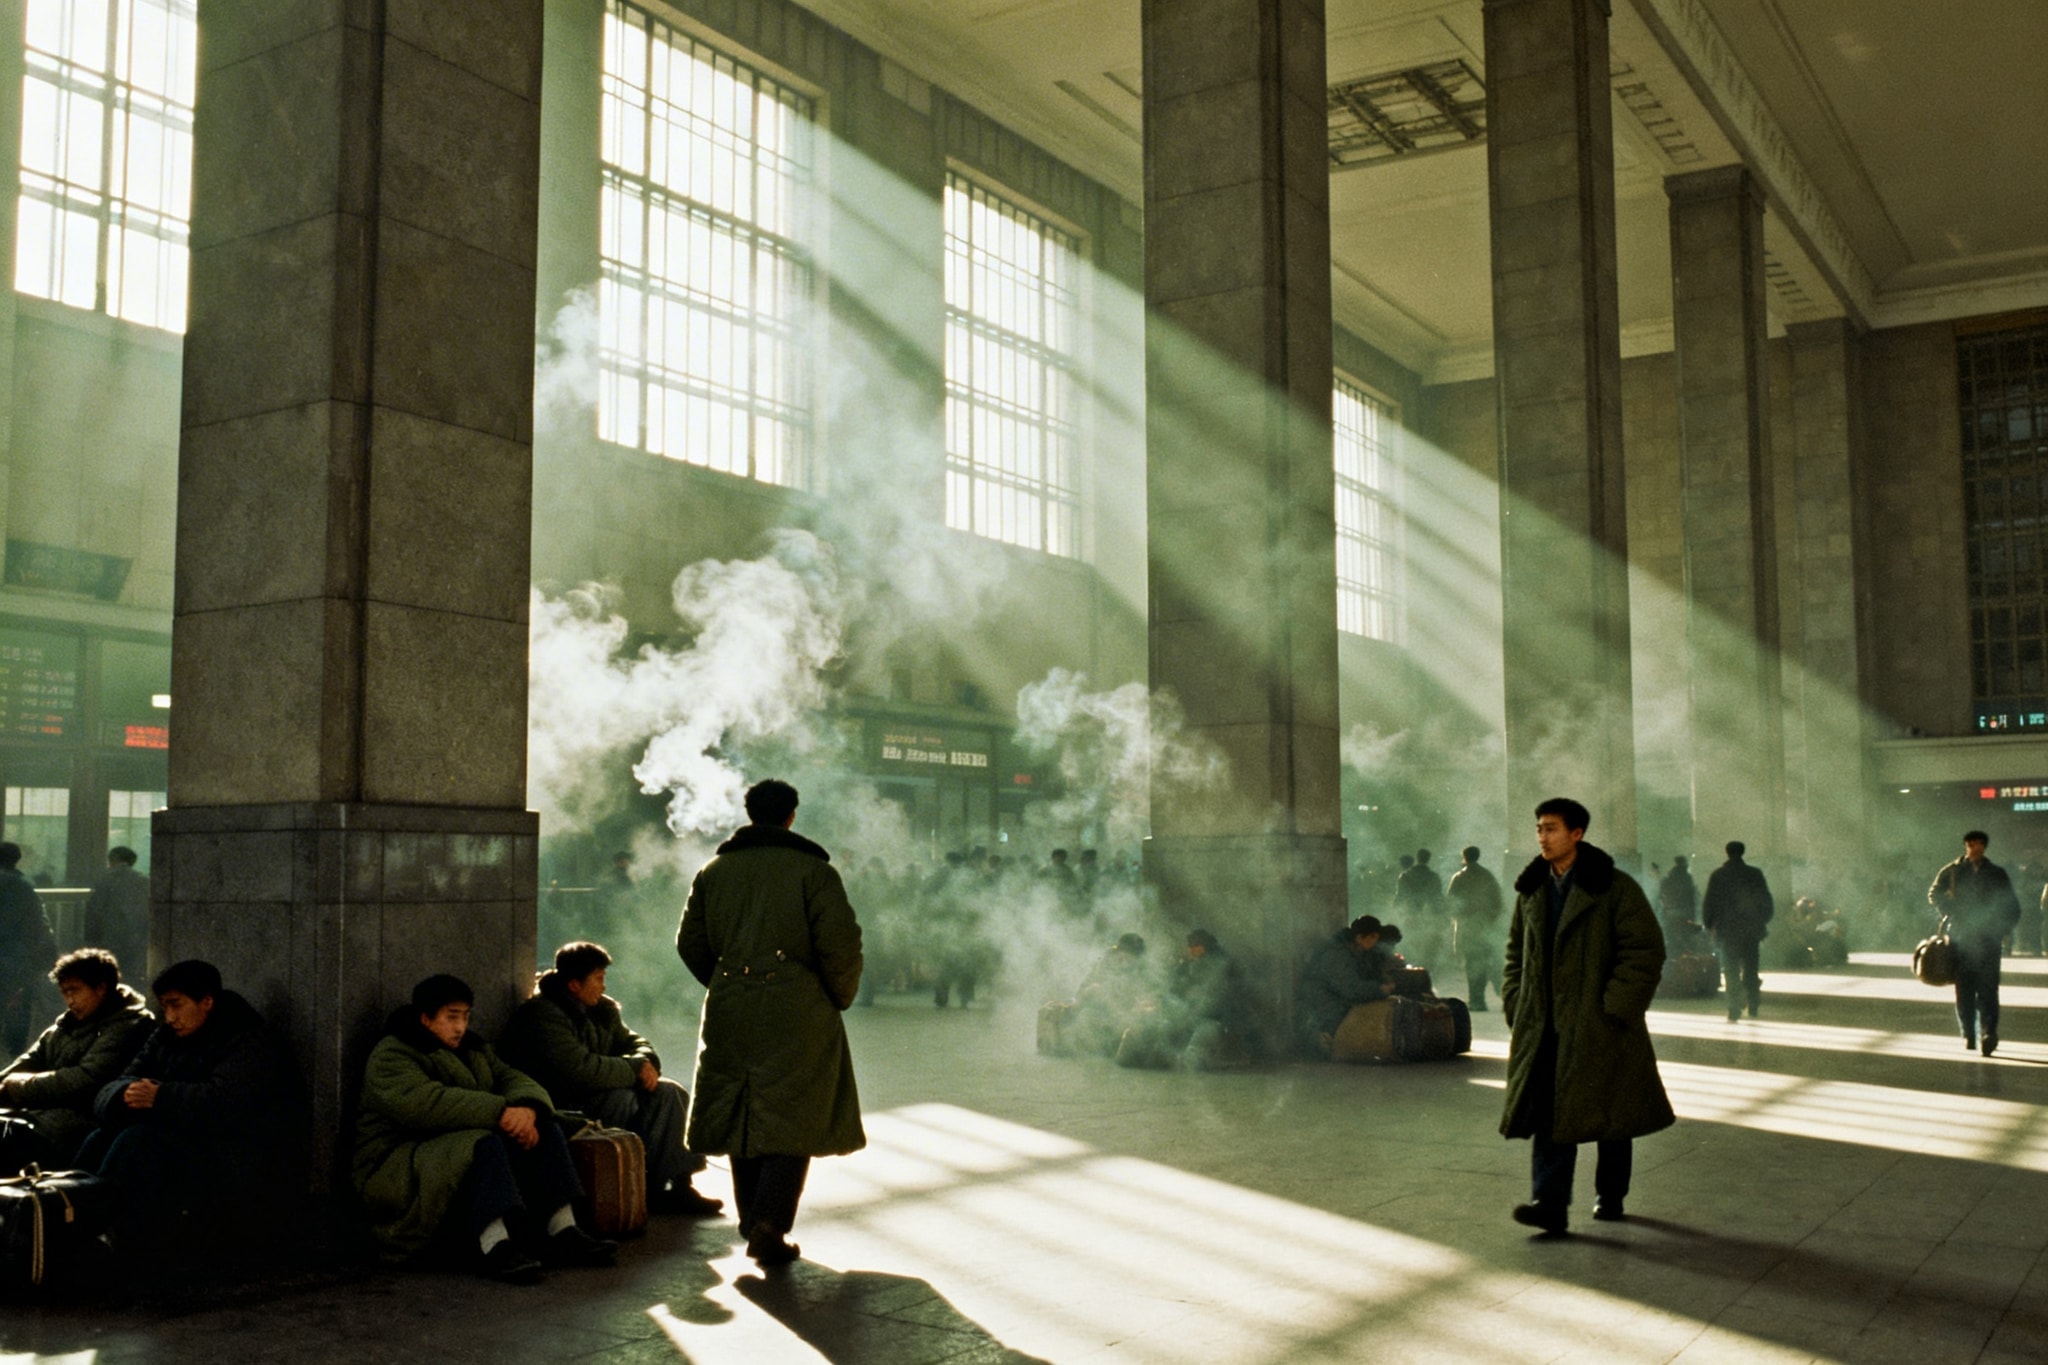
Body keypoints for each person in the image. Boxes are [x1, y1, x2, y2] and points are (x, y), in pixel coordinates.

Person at [678, 778, 863, 1267]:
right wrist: (832, 997)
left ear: (749, 813)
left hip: (731, 1005)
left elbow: (690, 943)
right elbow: (840, 946)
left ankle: (751, 1219)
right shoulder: (813, 872)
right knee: (793, 1114)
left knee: (742, 1110)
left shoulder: (713, 871)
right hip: (796, 1008)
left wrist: (727, 982)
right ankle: (770, 1224)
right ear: (791, 816)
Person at [353, 973, 618, 1283]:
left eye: (465, 1017)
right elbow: (426, 1104)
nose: (460, 1027)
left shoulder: (473, 1050)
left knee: (545, 1128)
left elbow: (511, 1077)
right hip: (397, 1164)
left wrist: (527, 1109)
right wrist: (501, 1112)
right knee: (482, 1144)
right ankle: (494, 1245)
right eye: (451, 1017)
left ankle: (563, 1229)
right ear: (425, 1018)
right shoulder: (392, 1054)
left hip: (440, 1152)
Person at [1500, 798, 1673, 1235]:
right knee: (1549, 1113)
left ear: (1576, 834)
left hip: (1601, 1023)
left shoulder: (1614, 888)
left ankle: (1610, 1194)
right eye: (1539, 828)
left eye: (1552, 829)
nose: (1542, 836)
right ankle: (1549, 1205)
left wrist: (1616, 1007)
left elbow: (1644, 950)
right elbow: (1516, 953)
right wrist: (1516, 1001)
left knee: (1611, 1114)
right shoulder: (1532, 889)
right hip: (1546, 1025)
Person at [87, 959, 300, 1271]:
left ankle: (103, 1231)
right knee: (100, 1138)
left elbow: (224, 1102)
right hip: (184, 1141)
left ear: (207, 1002)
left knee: (138, 1142)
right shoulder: (164, 1039)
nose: (170, 1017)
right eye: (164, 1007)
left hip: (233, 1158)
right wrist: (124, 1096)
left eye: (177, 1005)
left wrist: (161, 1097)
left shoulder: (247, 1040)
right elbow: (116, 1085)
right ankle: (74, 1217)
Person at [498, 940, 722, 1216]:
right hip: (563, 1103)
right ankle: (626, 1184)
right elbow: (580, 1069)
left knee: (669, 1093)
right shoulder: (543, 1015)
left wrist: (646, 1061)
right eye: (598, 979)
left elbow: (633, 1041)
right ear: (574, 984)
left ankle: (679, 1184)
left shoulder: (601, 1009)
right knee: (622, 1100)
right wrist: (634, 1069)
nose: (603, 986)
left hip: (600, 1091)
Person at [0, 948, 154, 1167]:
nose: (69, 1000)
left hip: (79, 1127)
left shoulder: (129, 1025)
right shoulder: (64, 1026)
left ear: (100, 988)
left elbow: (87, 1079)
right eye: (65, 992)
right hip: (41, 1117)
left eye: (75, 991)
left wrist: (17, 1087)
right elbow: (30, 1060)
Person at [1927, 831, 2023, 1055]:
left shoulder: (1997, 874)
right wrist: (1949, 909)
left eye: (1978, 843)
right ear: (1965, 846)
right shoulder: (1952, 871)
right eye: (1970, 843)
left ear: (1984, 847)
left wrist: (2002, 929)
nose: (1974, 847)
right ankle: (1969, 1033)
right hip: (1961, 937)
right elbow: (1934, 893)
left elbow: (2011, 905)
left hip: (1989, 938)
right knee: (1964, 988)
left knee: (1988, 988)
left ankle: (1988, 1032)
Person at [1297, 915, 1395, 1056]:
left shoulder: (1359, 953)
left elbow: (1370, 975)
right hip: (1322, 1003)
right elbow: (1351, 988)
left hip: (1335, 1000)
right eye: (1372, 937)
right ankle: (1322, 1041)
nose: (1375, 942)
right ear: (1360, 937)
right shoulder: (1337, 955)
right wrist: (1379, 990)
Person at [1701, 841, 1775, 1021]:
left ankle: (1734, 1008)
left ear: (1727, 853)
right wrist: (1761, 921)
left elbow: (1709, 904)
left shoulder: (1718, 876)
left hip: (1728, 931)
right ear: (1743, 852)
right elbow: (1766, 902)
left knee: (1730, 970)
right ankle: (1754, 1004)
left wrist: (1710, 925)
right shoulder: (1754, 874)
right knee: (1751, 968)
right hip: (1751, 930)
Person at [0, 840, 57, 1057]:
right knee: (18, 1008)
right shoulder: (24, 886)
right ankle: (14, 1056)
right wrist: (48, 955)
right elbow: (38, 925)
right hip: (17, 959)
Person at [1448, 846, 1506, 1010]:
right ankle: (1505, 996)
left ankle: (1477, 1000)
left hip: (1467, 927)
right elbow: (1498, 901)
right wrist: (1491, 920)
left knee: (1473, 963)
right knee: (1490, 962)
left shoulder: (1459, 878)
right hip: (1486, 927)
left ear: (1464, 857)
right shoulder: (1488, 876)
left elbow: (1451, 903)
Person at [82, 846, 151, 980]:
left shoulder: (105, 880)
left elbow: (95, 910)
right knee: (131, 977)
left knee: (109, 974)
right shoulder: (143, 881)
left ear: (113, 859)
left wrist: (89, 938)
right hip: (136, 939)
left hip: (110, 937)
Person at [1657, 855, 1698, 944]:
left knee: (1671, 937)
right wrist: (1693, 915)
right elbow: (1691, 897)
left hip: (1670, 912)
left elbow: (1661, 896)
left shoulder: (1669, 878)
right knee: (1685, 938)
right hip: (1685, 912)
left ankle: (1672, 954)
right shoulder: (1687, 878)